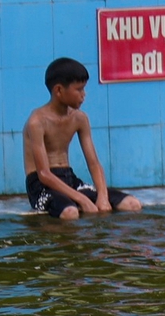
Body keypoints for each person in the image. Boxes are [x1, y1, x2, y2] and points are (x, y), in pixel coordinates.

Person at [22, 58, 142, 219]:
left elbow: (94, 163)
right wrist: (82, 199)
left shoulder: (79, 119)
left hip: (69, 179)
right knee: (71, 212)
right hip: (41, 185)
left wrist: (102, 196)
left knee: (132, 204)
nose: (83, 95)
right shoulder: (36, 122)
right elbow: (44, 174)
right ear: (58, 90)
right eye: (79, 90)